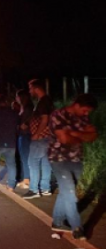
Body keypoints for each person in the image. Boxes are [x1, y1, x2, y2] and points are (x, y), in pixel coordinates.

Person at [48, 94, 98, 240]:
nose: (86, 114)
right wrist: (82, 135)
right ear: (76, 105)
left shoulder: (83, 117)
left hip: (76, 159)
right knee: (70, 193)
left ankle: (57, 222)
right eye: (85, 110)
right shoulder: (58, 115)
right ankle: (77, 227)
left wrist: (74, 133)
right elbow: (64, 139)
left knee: (66, 191)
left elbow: (93, 136)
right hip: (58, 159)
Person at [23, 79, 54, 199]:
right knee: (46, 163)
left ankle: (34, 190)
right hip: (49, 137)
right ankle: (45, 188)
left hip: (41, 138)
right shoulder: (48, 101)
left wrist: (36, 133)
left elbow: (45, 119)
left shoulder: (43, 102)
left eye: (30, 88)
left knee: (33, 162)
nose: (29, 91)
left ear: (36, 88)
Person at [15, 89, 34, 189]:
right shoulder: (23, 107)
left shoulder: (28, 108)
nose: (16, 99)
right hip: (22, 135)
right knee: (23, 157)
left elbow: (28, 121)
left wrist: (23, 125)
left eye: (17, 97)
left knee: (25, 157)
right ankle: (25, 178)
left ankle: (27, 180)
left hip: (25, 135)